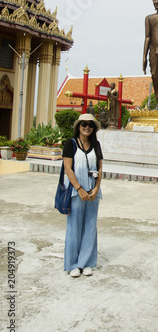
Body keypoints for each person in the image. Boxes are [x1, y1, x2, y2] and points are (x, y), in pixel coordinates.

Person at [63, 113, 103, 277]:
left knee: (90, 226)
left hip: (93, 192)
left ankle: (86, 262)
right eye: (84, 124)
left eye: (90, 125)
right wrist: (79, 189)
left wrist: (96, 188)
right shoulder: (70, 144)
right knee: (74, 227)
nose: (87, 127)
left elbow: (99, 168)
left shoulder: (96, 145)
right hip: (76, 191)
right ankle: (73, 264)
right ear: (78, 126)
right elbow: (68, 168)